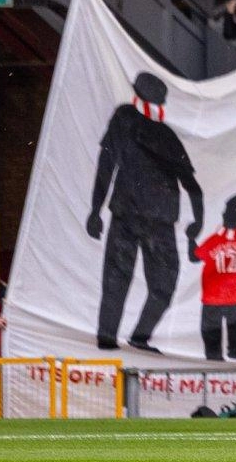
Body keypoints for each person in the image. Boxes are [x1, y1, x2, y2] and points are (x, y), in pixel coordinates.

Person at [87, 72, 203, 353]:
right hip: (143, 216)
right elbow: (107, 162)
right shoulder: (137, 123)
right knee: (141, 281)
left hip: (146, 217)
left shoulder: (141, 125)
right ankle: (122, 336)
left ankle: (123, 337)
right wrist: (95, 209)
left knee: (129, 279)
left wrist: (96, 209)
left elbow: (107, 163)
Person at [191, 195, 236, 363]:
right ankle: (220, 353)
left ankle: (232, 350)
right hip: (218, 296)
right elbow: (195, 257)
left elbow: (195, 256)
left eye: (228, 210)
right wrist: (190, 240)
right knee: (218, 330)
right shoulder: (222, 240)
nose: (224, 214)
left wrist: (190, 240)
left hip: (229, 295)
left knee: (233, 328)